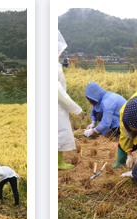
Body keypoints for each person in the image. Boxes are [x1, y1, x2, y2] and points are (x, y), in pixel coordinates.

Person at [58, 30, 84, 169]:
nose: (61, 53)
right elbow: (58, 92)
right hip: (56, 105)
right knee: (59, 132)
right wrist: (76, 108)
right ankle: (59, 162)